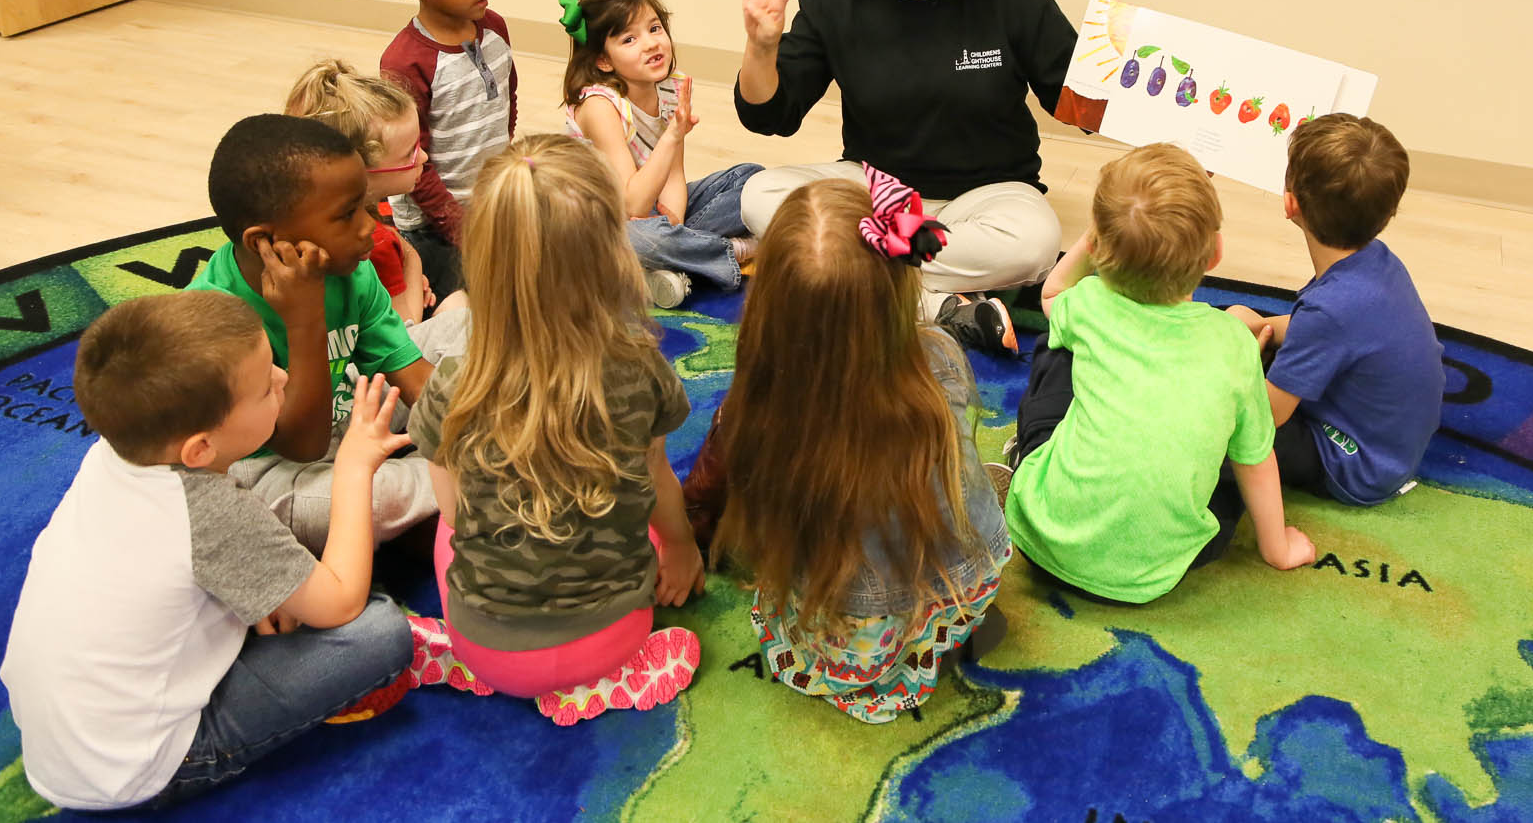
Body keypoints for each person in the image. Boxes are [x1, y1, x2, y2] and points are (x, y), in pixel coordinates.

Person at [0, 291, 416, 810]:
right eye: (266, 387)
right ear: (200, 448)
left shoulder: (115, 452)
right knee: (380, 631)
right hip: (145, 769)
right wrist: (354, 465)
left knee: (288, 590)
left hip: (70, 744)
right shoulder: (207, 509)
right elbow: (340, 604)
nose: (283, 378)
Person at [732, 0, 1079, 349]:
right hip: (875, 192)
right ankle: (936, 304)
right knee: (759, 195)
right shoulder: (835, 0)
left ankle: (856, 281)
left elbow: (1073, 99)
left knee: (1035, 242)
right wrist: (761, 47)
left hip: (989, 196)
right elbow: (769, 116)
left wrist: (1158, 108)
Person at [401, 135, 703, 725]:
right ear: (613, 255)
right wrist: (683, 548)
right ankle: (613, 679)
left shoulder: (451, 386)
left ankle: (463, 661)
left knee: (446, 526)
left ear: (481, 262)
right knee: (645, 517)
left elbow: (458, 515)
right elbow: (658, 481)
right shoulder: (640, 370)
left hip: (484, 645)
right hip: (614, 637)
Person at [705, 170, 1011, 723]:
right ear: (900, 287)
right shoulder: (941, 362)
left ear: (767, 306)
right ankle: (939, 643)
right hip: (941, 592)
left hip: (835, 643)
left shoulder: (757, 407)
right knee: (965, 497)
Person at [1000, 143, 1316, 604]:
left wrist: (1096, 236)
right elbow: (1256, 459)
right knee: (1234, 462)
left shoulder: (1088, 303)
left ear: (1097, 246)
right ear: (1215, 253)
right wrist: (1279, 548)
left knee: (1057, 347)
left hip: (1042, 543)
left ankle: (1027, 456)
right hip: (1154, 575)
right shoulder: (1233, 342)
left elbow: (1052, 293)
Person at [188, 113, 443, 550]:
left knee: (465, 331)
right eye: (346, 215)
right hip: (273, 467)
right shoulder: (210, 321)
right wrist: (304, 318)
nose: (370, 227)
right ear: (264, 243)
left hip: (346, 408)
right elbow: (303, 446)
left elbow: (412, 374)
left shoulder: (350, 271)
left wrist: (477, 429)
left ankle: (449, 477)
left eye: (365, 206)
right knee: (372, 499)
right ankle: (457, 481)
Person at [1237, 114, 1444, 506]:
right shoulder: (1378, 261)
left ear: (1290, 204)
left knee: (1219, 424)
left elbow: (1268, 415)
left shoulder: (1330, 310)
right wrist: (1258, 325)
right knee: (1245, 325)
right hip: (1388, 442)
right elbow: (1321, 331)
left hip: (1355, 463)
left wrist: (1226, 370)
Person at [559, 0, 761, 308]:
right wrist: (672, 136)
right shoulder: (599, 106)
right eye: (629, 39)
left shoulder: (669, 88)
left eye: (654, 28)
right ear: (604, 60)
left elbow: (674, 175)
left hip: (653, 212)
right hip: (602, 225)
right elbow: (632, 205)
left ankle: (671, 261)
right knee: (639, 239)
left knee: (750, 178)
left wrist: (674, 223)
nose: (651, 43)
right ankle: (737, 251)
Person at [379, 0, 517, 302]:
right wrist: (460, 227)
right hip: (433, 227)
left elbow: (505, 102)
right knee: (483, 305)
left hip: (487, 207)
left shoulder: (494, 28)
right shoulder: (405, 62)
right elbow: (408, 159)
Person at [285, 59, 468, 326]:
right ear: (361, 171)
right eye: (409, 153)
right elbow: (404, 328)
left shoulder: (304, 213)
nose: (423, 157)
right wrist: (411, 264)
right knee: (461, 304)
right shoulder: (376, 243)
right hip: (384, 343)